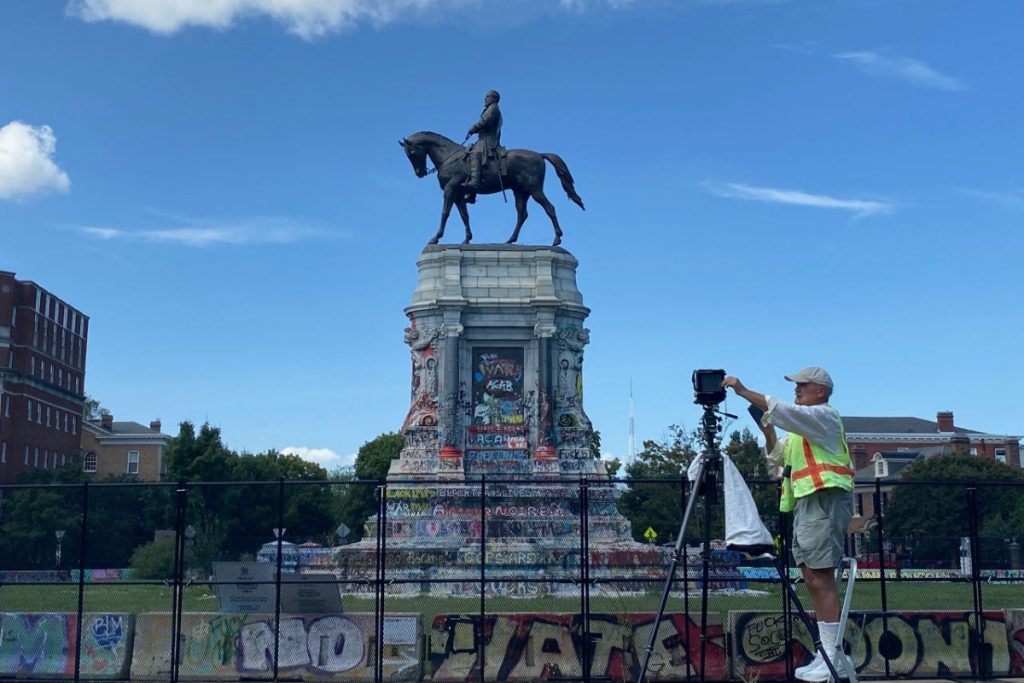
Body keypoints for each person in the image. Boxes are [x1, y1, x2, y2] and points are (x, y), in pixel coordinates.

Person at [722, 367, 855, 682]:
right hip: (809, 504)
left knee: (820, 577)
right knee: (812, 576)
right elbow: (777, 457)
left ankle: (832, 657)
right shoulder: (801, 431)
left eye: (802, 385)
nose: (797, 390)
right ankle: (826, 654)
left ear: (820, 390)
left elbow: (781, 408)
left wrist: (742, 390)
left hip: (824, 500)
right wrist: (768, 431)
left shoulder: (823, 417)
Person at [464, 90, 503, 198]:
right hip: (484, 139)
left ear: (494, 98)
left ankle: (475, 181)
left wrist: (473, 128)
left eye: (487, 97)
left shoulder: (493, 108)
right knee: (468, 151)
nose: (485, 99)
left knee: (474, 153)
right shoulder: (491, 109)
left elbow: (484, 121)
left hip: (488, 140)